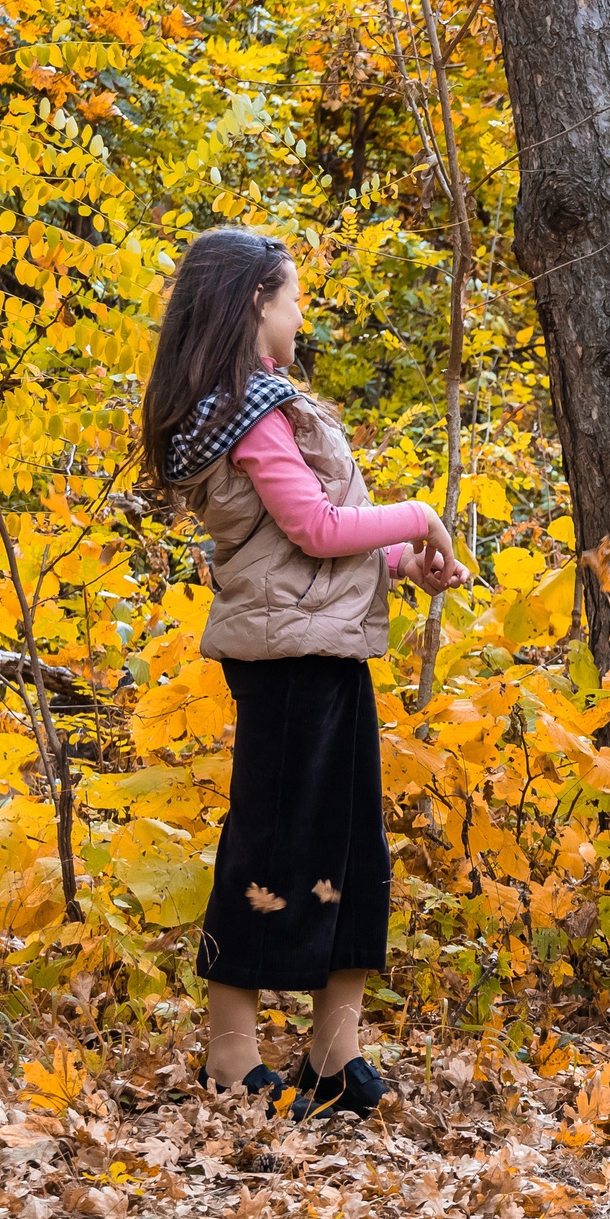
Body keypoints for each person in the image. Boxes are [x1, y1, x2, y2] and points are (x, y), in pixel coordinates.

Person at [138, 228, 470, 1121]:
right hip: (285, 662)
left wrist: (406, 554)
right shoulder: (245, 412)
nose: (300, 312)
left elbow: (316, 547)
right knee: (272, 848)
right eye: (291, 295)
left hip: (324, 648)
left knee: (351, 847)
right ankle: (230, 1052)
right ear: (255, 301)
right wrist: (421, 513)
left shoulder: (265, 406)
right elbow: (319, 529)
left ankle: (336, 1052)